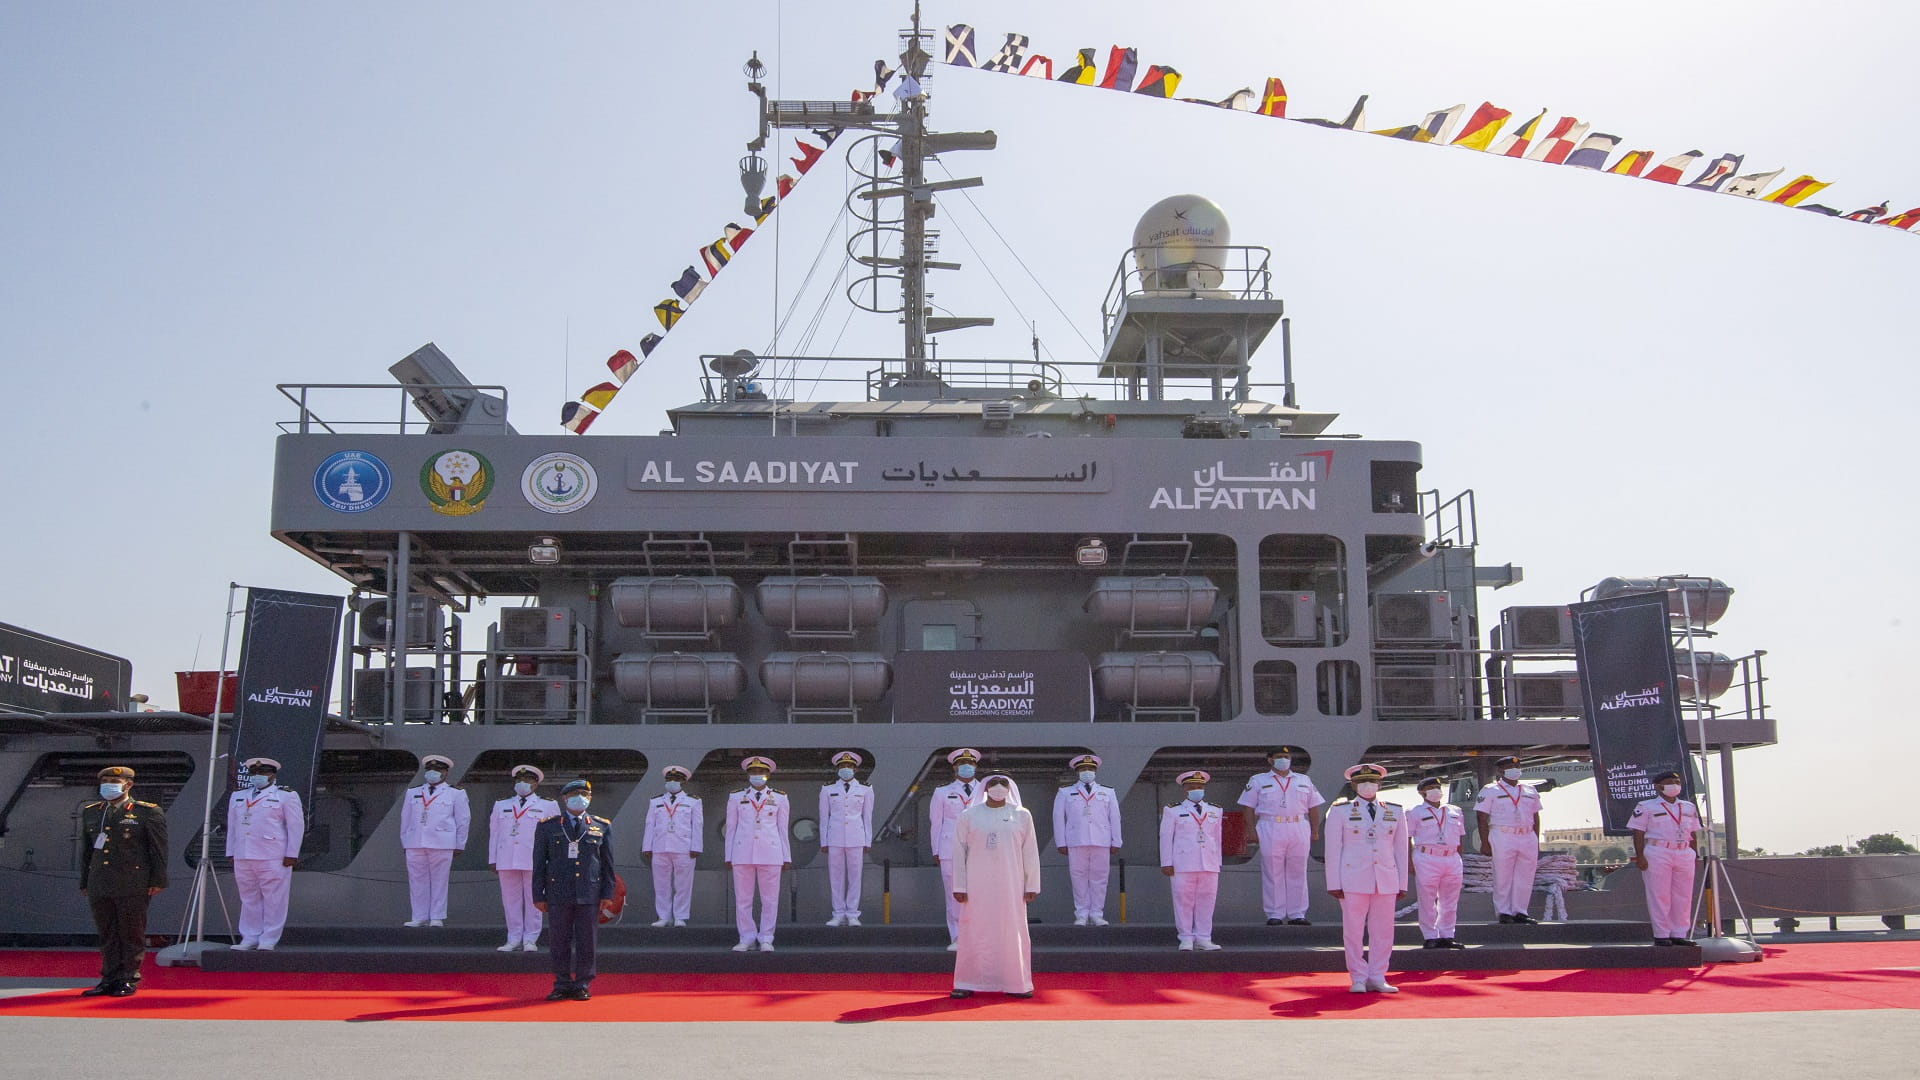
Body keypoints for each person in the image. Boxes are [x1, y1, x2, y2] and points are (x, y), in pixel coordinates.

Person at [77, 766, 166, 997]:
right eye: (105, 780)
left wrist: (158, 879)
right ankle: (108, 977)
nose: (108, 785)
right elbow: (87, 850)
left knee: (131, 931)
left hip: (132, 881)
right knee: (107, 932)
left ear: (128, 784)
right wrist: (85, 881)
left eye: (114, 781)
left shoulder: (146, 812)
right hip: (100, 881)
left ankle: (127, 977)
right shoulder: (92, 811)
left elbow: (158, 849)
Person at [949, 774, 1040, 999]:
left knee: (1012, 930)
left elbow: (1030, 851)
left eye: (1003, 784)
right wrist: (959, 884)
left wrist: (1032, 884)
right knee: (974, 930)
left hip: (1012, 884)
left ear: (1010, 789)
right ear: (985, 788)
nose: (998, 788)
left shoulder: (1021, 815)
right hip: (976, 884)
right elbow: (958, 852)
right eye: (993, 784)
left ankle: (1017, 983)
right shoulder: (969, 815)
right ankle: (966, 981)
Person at [1324, 763, 1409, 994]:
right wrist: (1333, 883)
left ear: (1380, 784)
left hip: (1386, 878)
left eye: (1371, 781)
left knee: (1384, 931)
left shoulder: (1395, 810)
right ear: (1353, 785)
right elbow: (1333, 849)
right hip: (1352, 878)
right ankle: (1358, 977)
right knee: (1353, 931)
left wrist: (1402, 883)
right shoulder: (1340, 811)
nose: (1367, 786)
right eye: (1361, 782)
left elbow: (1401, 849)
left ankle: (1378, 976)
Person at [531, 778, 616, 1000]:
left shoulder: (601, 825)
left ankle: (582, 984)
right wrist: (537, 894)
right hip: (558, 892)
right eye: (576, 795)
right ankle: (561, 983)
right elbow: (539, 863)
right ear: (565, 798)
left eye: (585, 795)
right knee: (559, 941)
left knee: (587, 941)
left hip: (589, 892)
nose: (581, 799)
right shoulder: (547, 826)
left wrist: (608, 893)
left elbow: (607, 864)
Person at [1237, 746, 1325, 925]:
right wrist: (1251, 830)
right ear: (1270, 760)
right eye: (1279, 756)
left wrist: (1315, 830)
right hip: (1270, 825)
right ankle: (1274, 914)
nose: (1283, 759)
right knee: (1272, 870)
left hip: (1298, 824)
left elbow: (1313, 807)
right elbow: (1248, 807)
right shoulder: (1258, 780)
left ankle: (1297, 913)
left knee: (1298, 870)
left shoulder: (1304, 780)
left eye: (1286, 756)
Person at [225, 757, 302, 951]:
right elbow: (232, 827)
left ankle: (269, 939)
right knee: (248, 898)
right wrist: (231, 851)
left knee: (275, 898)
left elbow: (295, 826)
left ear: (273, 775)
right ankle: (249, 937)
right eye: (255, 773)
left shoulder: (286, 795)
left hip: (273, 855)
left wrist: (292, 853)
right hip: (244, 854)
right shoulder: (238, 796)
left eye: (264, 773)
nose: (258, 777)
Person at [723, 755, 790, 952]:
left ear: (768, 774)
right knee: (743, 899)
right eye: (753, 772)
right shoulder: (736, 797)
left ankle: (767, 937)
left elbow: (782, 829)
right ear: (747, 775)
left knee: (770, 900)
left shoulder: (780, 797)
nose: (757, 775)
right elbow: (731, 828)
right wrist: (729, 855)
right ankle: (747, 937)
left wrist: (786, 857)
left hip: (771, 852)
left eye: (761, 772)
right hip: (742, 852)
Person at [489, 764, 559, 950]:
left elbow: (555, 835)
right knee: (510, 900)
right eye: (519, 780)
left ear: (536, 784)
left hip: (534, 859)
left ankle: (530, 939)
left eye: (527, 780)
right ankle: (513, 938)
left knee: (533, 899)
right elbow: (494, 833)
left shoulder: (548, 804)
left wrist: (552, 861)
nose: (523, 784)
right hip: (506, 857)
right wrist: (493, 859)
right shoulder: (501, 804)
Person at [1629, 770, 1702, 946]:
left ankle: (1679, 933)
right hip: (1658, 850)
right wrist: (1640, 856)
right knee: (1659, 894)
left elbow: (1692, 832)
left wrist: (1694, 853)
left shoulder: (1688, 807)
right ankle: (1661, 934)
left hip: (1683, 851)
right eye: (1670, 782)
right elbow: (1638, 832)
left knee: (1683, 895)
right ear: (1658, 786)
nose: (1674, 785)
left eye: (1677, 781)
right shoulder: (1646, 806)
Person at [1051, 753, 1122, 927]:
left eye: (1090, 769)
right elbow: (1058, 817)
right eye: (1083, 769)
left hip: (1101, 839)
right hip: (1076, 839)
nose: (1087, 772)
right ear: (1077, 772)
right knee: (1078, 877)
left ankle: (1097, 913)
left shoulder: (1107, 792)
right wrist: (1061, 842)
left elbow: (1115, 817)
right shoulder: (1065, 792)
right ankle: (1081, 914)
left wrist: (1116, 841)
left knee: (1100, 878)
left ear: (1095, 771)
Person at [400, 754, 470, 927]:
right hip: (416, 841)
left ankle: (437, 916)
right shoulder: (413, 792)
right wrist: (405, 842)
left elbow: (463, 820)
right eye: (430, 770)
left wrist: (460, 844)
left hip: (442, 842)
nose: (433, 773)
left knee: (440, 880)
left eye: (438, 770)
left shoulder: (456, 793)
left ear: (445, 773)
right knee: (417, 880)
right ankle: (419, 916)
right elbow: (405, 818)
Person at [929, 747, 987, 949]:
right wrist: (936, 850)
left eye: (970, 764)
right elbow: (936, 823)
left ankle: (978, 937)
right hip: (949, 848)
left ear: (976, 767)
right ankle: (957, 936)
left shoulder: (986, 791)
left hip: (979, 850)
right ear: (954, 768)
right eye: (962, 764)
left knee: (979, 893)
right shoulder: (942, 792)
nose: (966, 767)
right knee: (954, 894)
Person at [1159, 770, 1223, 952]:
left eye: (1200, 786)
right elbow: (1165, 837)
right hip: (1183, 862)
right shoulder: (1173, 809)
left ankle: (1204, 937)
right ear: (1184, 789)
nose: (1197, 789)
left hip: (1208, 863)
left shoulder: (1215, 809)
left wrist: (1217, 862)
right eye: (1192, 786)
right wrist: (1166, 862)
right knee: (1183, 901)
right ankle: (1186, 937)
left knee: (1207, 901)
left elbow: (1217, 838)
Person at [1474, 755, 1542, 924]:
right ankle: (1504, 911)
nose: (1515, 770)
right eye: (1510, 767)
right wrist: (1485, 843)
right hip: (1503, 835)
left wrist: (1536, 839)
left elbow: (1536, 816)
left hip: (1527, 835)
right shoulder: (1490, 790)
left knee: (1525, 875)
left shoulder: (1529, 790)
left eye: (1518, 766)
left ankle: (1520, 911)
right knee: (1502, 875)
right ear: (1500, 771)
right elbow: (1481, 818)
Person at [642, 764, 702, 927]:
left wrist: (696, 846)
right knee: (661, 884)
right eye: (669, 779)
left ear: (683, 782)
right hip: (660, 846)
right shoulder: (656, 801)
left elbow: (697, 825)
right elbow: (650, 824)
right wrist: (647, 846)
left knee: (683, 884)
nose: (672, 782)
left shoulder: (693, 801)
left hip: (684, 847)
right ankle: (663, 916)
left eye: (676, 780)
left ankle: (680, 916)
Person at [1409, 777, 1466, 950]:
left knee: (1450, 900)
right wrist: (1409, 862)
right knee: (1427, 899)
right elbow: (1407, 838)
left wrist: (1458, 857)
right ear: (1422, 792)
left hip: (1451, 857)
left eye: (1437, 787)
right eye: (1431, 787)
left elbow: (1460, 837)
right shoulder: (1414, 812)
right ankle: (1430, 936)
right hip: (1427, 856)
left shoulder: (1454, 810)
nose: (1435, 790)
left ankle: (1447, 935)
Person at [819, 750, 874, 926]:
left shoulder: (866, 788)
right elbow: (823, 817)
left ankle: (852, 914)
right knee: (836, 876)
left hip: (856, 837)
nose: (846, 769)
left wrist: (867, 840)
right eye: (842, 766)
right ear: (837, 769)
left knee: (855, 876)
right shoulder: (827, 789)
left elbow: (867, 817)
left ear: (855, 769)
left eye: (849, 766)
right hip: (834, 837)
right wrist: (824, 841)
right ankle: (838, 913)